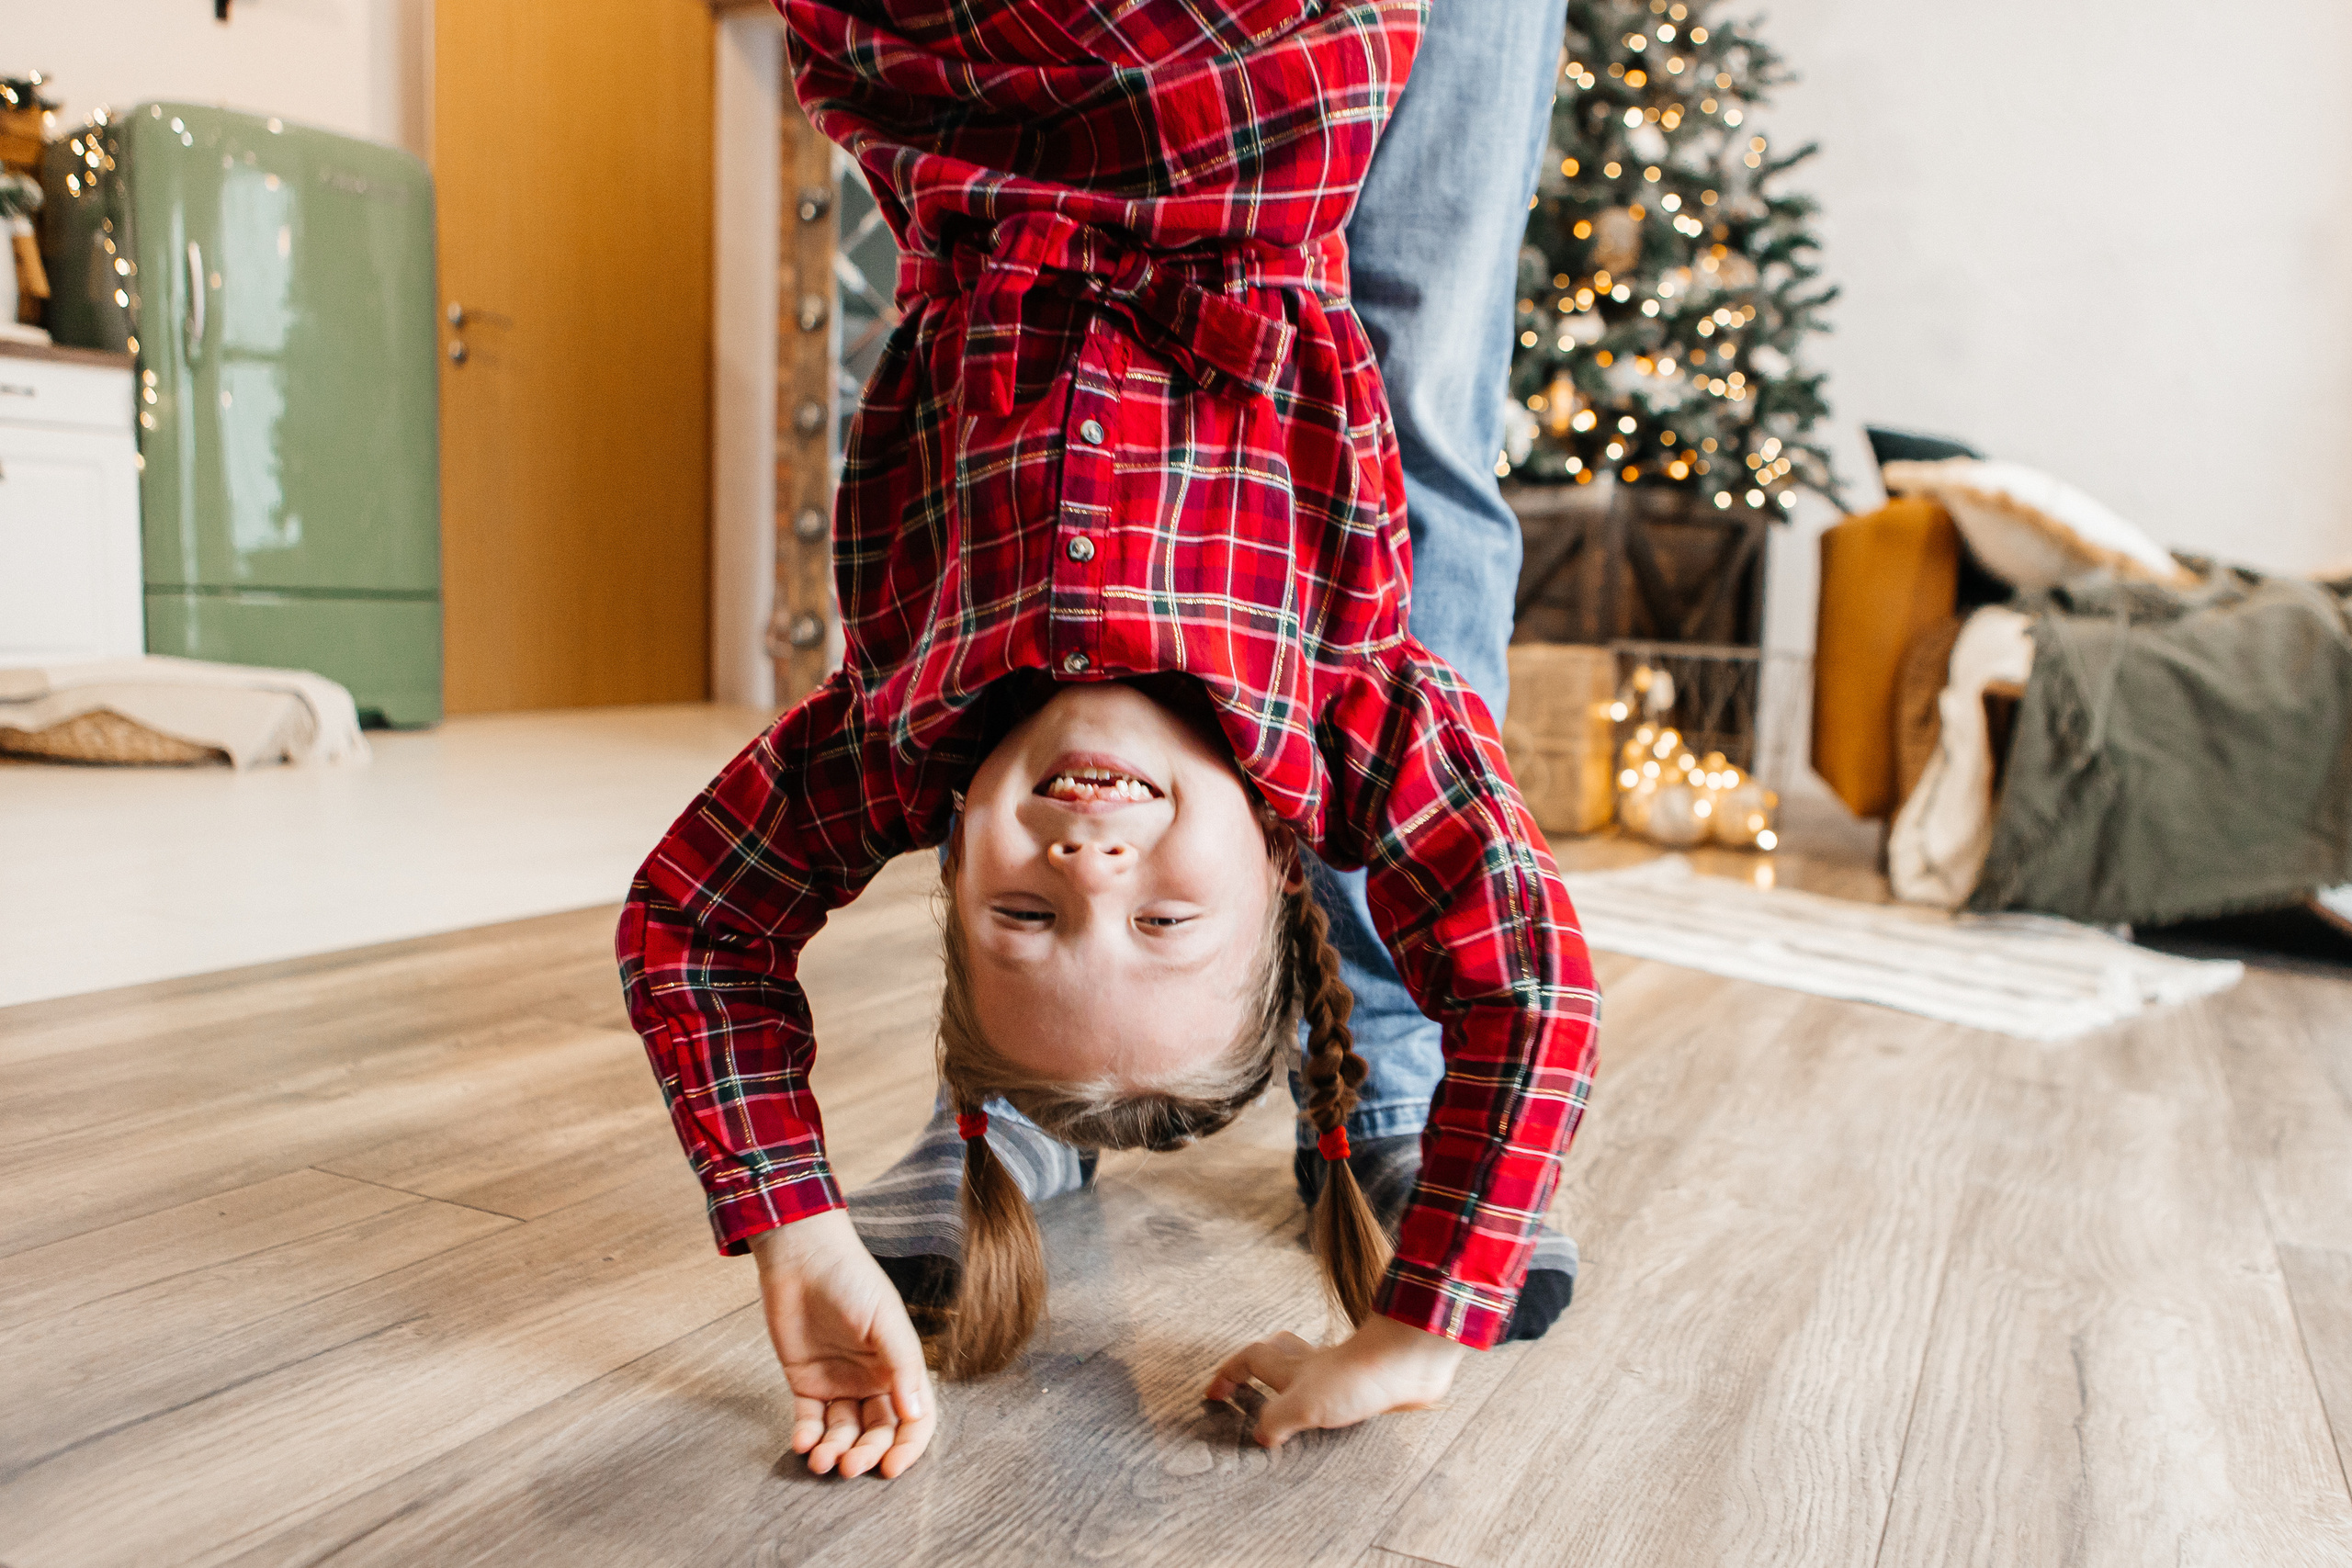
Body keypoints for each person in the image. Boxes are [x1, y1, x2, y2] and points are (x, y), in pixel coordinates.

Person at [618, 0, 1595, 1483]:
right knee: (1435, 392)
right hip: (1266, 80)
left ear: (946, 875)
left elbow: (690, 925)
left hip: (972, 77)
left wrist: (791, 1227)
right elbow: (1534, 993)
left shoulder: (896, 737)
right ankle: (1381, 1080)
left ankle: (1037, 1112)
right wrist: (1415, 1332)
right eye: (1160, 918)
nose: (1088, 863)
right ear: (1286, 867)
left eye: (1027, 918)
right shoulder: (1354, 717)